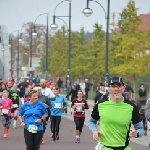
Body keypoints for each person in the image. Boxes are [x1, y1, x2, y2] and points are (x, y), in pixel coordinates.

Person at [88, 76, 144, 150]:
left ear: (123, 88)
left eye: (119, 86)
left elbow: (140, 129)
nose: (116, 89)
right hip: (104, 147)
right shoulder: (100, 105)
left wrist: (136, 133)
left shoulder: (131, 107)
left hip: (124, 147)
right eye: (113, 86)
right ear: (109, 89)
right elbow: (91, 121)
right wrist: (94, 130)